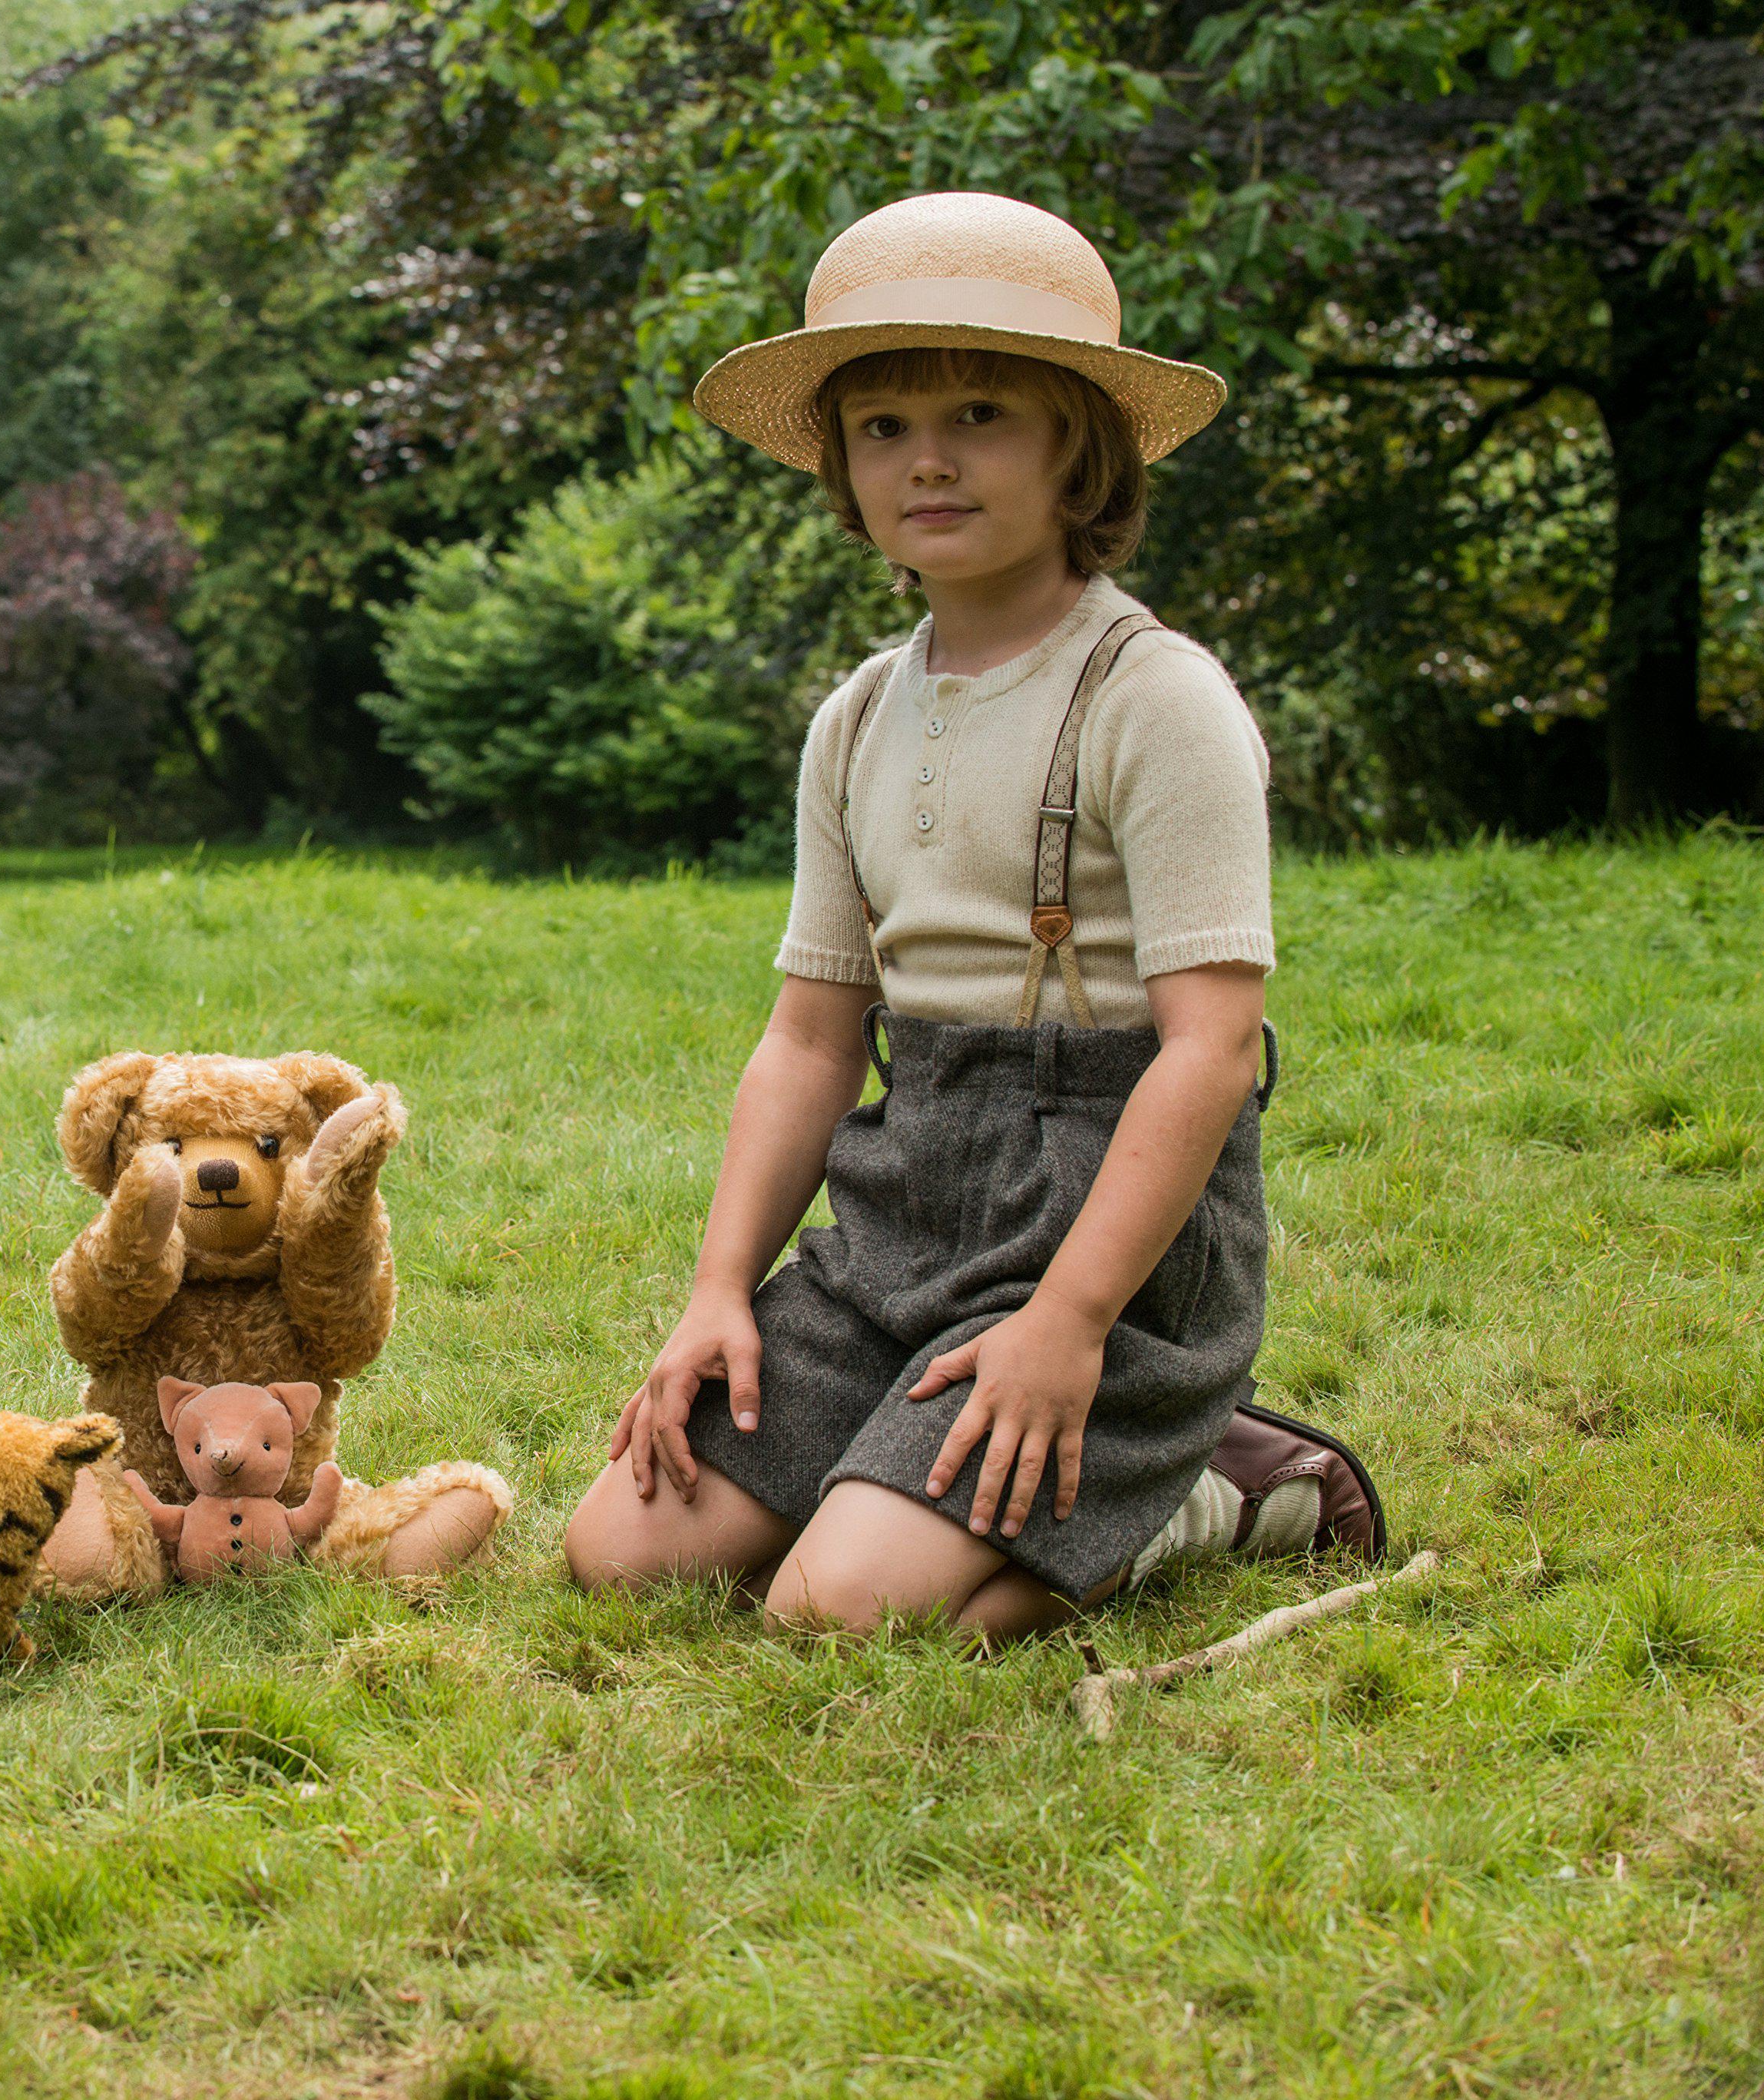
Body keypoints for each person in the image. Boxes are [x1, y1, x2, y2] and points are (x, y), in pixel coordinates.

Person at [561, 191, 1385, 1642]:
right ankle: (906, 1456)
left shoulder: (1155, 697)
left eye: (983, 413)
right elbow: (814, 1037)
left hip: (1103, 1241)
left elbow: (1209, 1048)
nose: (927, 459)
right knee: (625, 1549)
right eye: (882, 428)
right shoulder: (861, 717)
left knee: (836, 1609)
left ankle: (1223, 1483)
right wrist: (720, 1290)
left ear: (1083, 449)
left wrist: (1067, 1326)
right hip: (898, 1219)